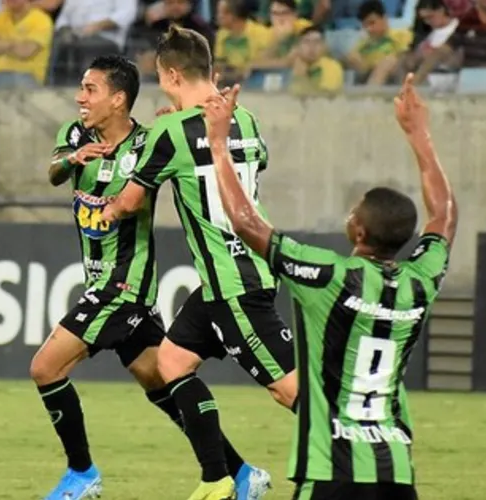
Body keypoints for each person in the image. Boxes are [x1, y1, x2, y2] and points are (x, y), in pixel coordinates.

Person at [202, 73, 456, 500]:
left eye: (354, 211)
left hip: (331, 472)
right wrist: (420, 134)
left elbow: (246, 224)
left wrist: (217, 144)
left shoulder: (327, 276)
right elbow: (444, 216)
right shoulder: (422, 280)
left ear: (357, 230)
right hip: (395, 473)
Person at [33, 55, 266, 500]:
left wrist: (185, 115)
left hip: (123, 288)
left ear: (118, 99)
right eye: (81, 88)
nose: (80, 97)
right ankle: (240, 472)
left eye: (91, 89)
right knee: (162, 384)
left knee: (44, 368)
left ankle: (81, 474)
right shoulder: (74, 133)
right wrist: (73, 158)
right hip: (99, 280)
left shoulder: (149, 143)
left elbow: (176, 160)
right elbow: (54, 170)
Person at [102, 25, 295, 500]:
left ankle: (358, 458)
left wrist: (104, 208)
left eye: (160, 77)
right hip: (225, 280)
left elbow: (128, 202)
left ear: (170, 73)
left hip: (235, 283)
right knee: (171, 361)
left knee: (291, 392)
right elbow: (248, 165)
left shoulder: (168, 132)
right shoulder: (245, 119)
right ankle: (220, 480)